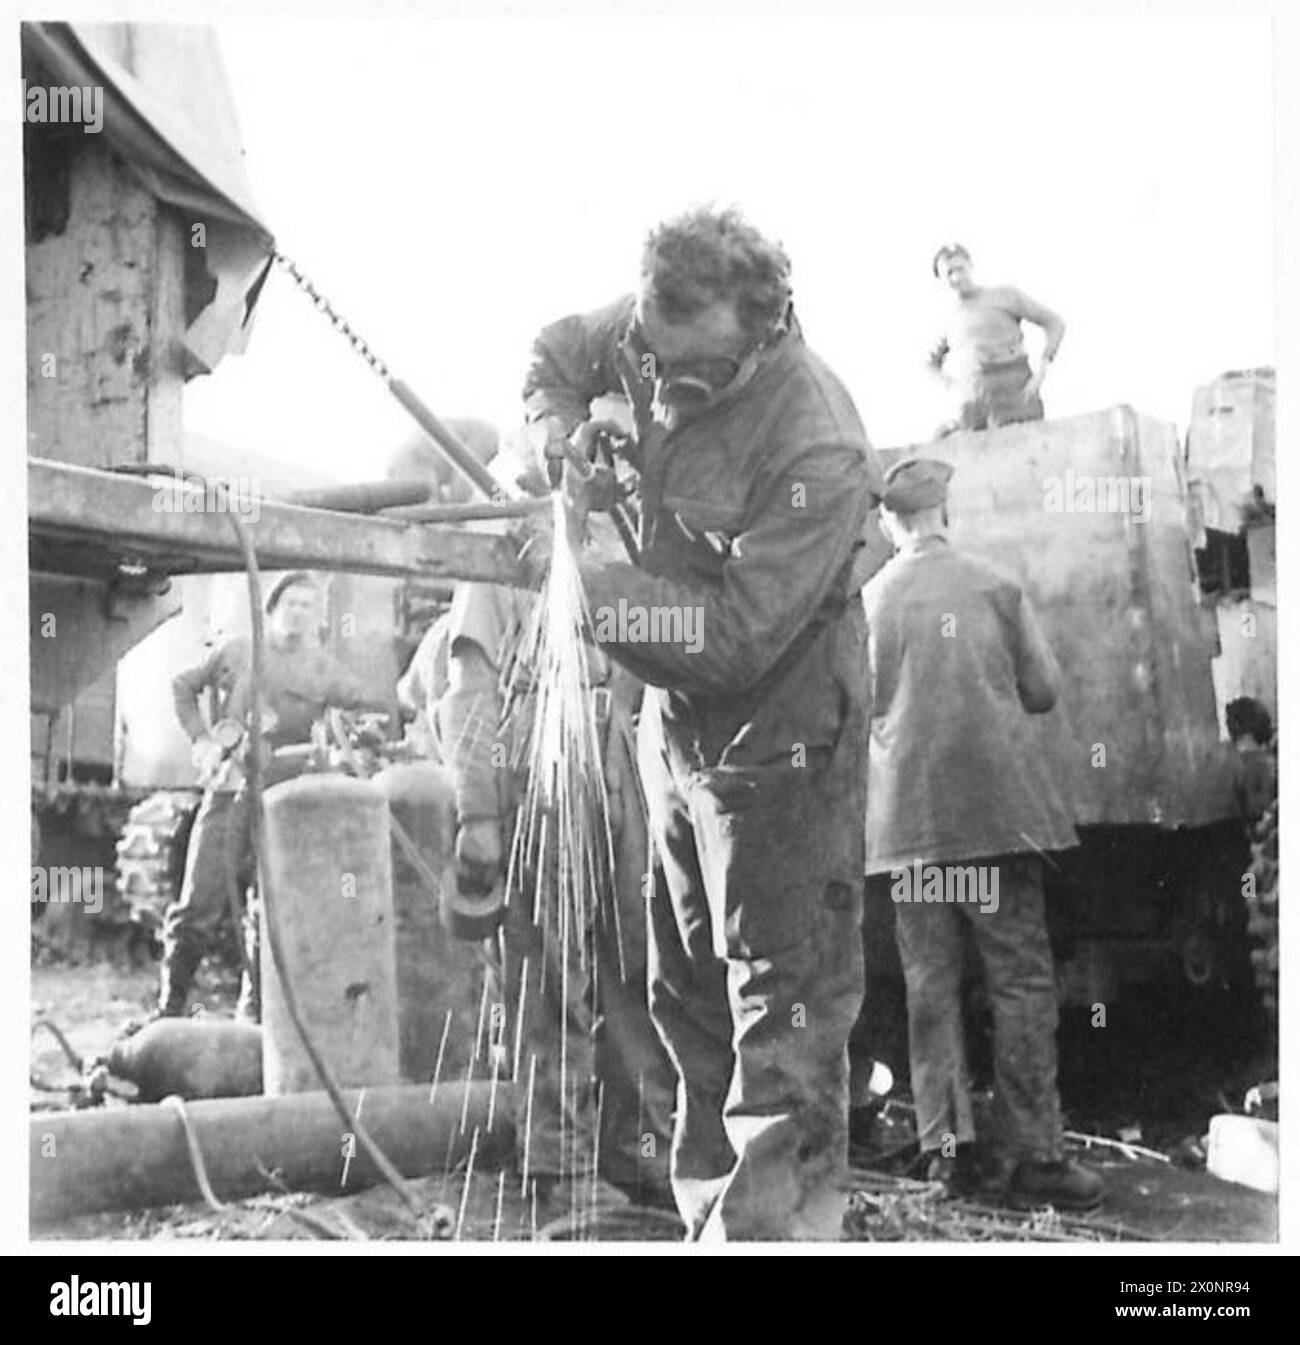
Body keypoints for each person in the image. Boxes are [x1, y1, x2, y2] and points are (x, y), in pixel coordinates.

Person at [518, 205, 884, 1240]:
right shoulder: (647, 323)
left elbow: (728, 638)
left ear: (763, 329)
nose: (664, 390)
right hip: (673, 727)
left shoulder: (814, 436)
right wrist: (560, 439)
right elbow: (552, 352)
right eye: (650, 361)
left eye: (694, 377)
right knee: (686, 990)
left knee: (782, 1000)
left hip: (779, 727)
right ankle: (710, 1218)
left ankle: (775, 1236)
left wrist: (593, 562)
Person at [861, 457, 1102, 1211]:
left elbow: (861, 704)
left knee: (931, 989)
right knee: (1021, 985)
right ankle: (1037, 1156)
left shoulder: (871, 600)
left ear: (886, 522)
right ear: (945, 511)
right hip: (999, 824)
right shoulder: (996, 586)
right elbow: (1043, 690)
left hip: (916, 835)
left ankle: (946, 1154)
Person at [440, 571, 676, 1217]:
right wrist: (478, 812)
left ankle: (641, 1149)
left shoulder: (606, 549)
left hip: (617, 753)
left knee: (638, 959)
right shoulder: (492, 570)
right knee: (551, 973)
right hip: (540, 758)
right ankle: (558, 1163)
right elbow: (468, 692)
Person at [159, 572, 366, 1020]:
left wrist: (356, 731)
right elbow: (183, 686)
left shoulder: (322, 667)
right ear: (271, 609)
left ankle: (255, 1013)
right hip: (230, 788)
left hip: (286, 798)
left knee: (271, 908)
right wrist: (202, 740)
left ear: (317, 619)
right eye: (290, 604)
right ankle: (170, 1007)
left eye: (307, 607)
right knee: (199, 903)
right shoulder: (238, 649)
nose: (298, 613)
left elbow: (365, 704)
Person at [928, 243, 1065, 437]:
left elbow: (1054, 323)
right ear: (941, 279)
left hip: (1016, 394)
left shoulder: (1005, 296)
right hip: (977, 405)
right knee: (984, 462)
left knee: (1030, 456)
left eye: (960, 269)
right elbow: (929, 363)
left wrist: (1041, 372)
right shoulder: (948, 318)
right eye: (949, 273)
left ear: (970, 265)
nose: (956, 277)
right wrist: (955, 389)